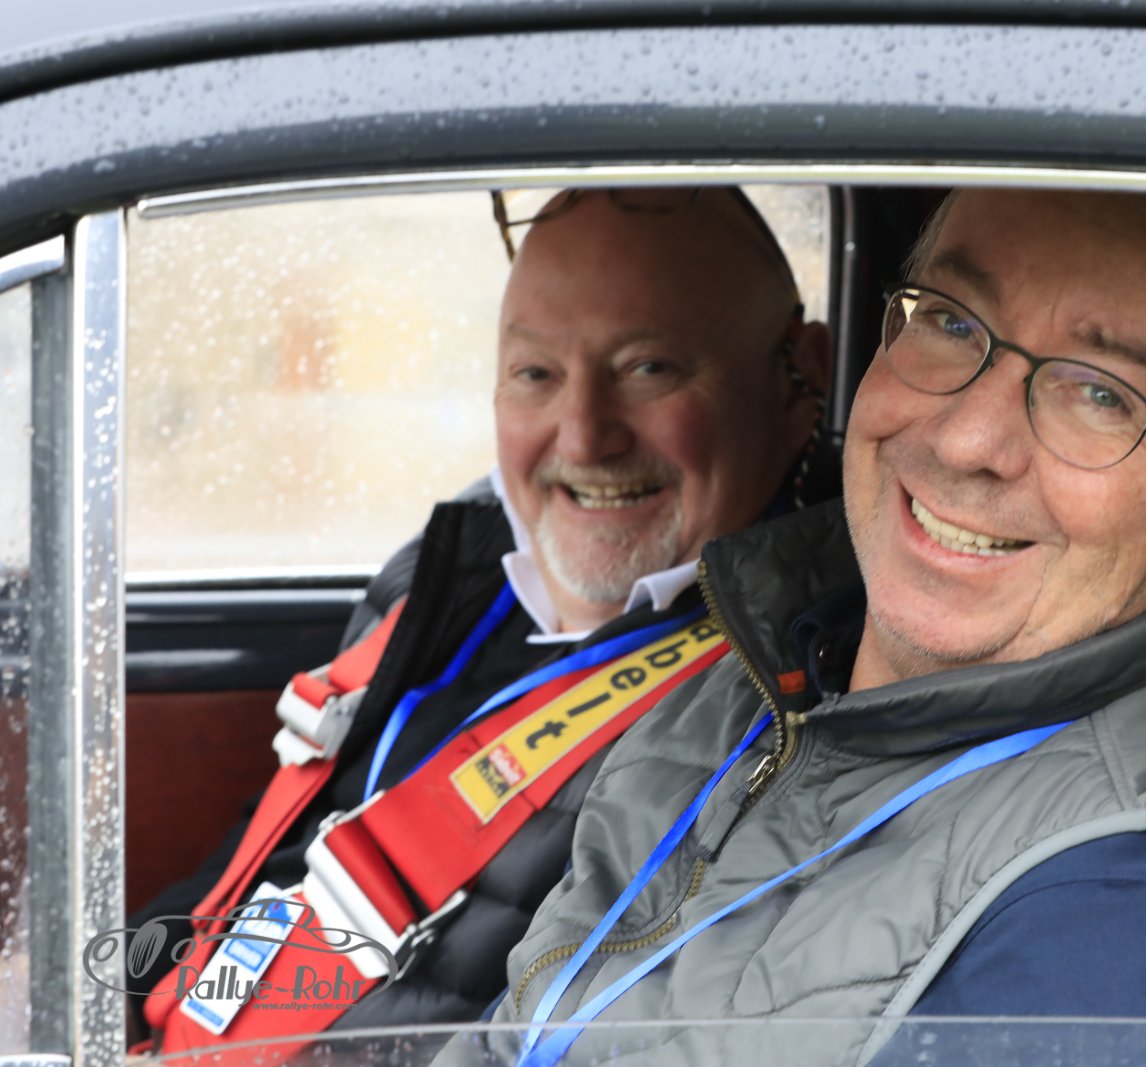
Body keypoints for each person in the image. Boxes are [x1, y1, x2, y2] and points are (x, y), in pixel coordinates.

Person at [455, 187, 1146, 1067]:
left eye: (1101, 393)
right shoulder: (775, 671)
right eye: (952, 322)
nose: (965, 441)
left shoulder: (1120, 912)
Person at [128, 186, 833, 1055]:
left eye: (648, 368)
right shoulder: (446, 573)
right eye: (536, 374)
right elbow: (259, 863)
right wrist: (89, 1003)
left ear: (801, 376)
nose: (584, 438)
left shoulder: (792, 694)